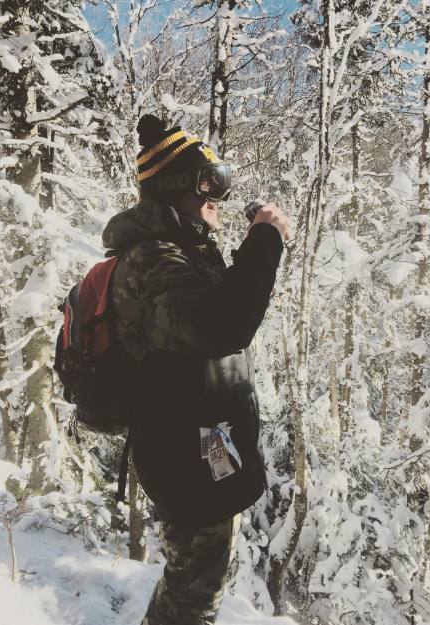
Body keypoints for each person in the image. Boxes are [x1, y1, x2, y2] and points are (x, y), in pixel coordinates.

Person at [102, 114, 290, 625]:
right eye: (209, 183)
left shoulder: (181, 253)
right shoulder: (150, 261)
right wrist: (265, 240)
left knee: (195, 583)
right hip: (182, 455)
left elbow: (221, 318)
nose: (218, 197)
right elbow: (218, 328)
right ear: (173, 188)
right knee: (193, 593)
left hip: (204, 446)